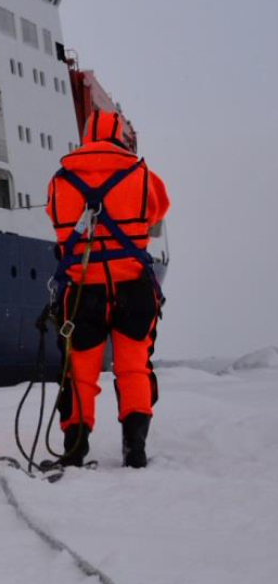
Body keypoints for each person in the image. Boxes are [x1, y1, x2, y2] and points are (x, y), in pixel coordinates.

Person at [45, 107, 170, 468]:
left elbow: (56, 219)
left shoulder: (61, 179)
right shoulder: (141, 174)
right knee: (133, 368)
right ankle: (135, 448)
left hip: (84, 293)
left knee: (80, 371)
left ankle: (74, 449)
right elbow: (158, 211)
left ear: (87, 137)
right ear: (120, 135)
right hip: (133, 288)